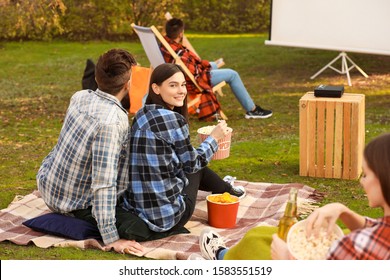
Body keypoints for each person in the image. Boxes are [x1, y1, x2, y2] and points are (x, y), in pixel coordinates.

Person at [192, 133, 390, 260]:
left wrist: (286, 260)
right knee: (262, 233)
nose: (362, 181)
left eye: (366, 174)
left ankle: (221, 258)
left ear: (384, 178)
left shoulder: (355, 246)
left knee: (255, 242)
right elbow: (380, 230)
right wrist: (344, 211)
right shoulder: (376, 235)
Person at [37, 48, 144, 255]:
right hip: (71, 204)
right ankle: (86, 221)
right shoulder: (112, 122)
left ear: (96, 77)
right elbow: (103, 184)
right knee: (140, 227)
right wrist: (112, 238)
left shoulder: (80, 96)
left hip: (47, 184)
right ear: (128, 85)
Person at [119, 63, 245, 234]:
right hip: (167, 218)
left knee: (190, 159)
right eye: (173, 85)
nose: (181, 91)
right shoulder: (173, 120)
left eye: (183, 84)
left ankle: (226, 189)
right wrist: (214, 138)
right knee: (197, 168)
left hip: (137, 210)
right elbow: (193, 164)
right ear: (156, 88)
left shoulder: (141, 114)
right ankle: (228, 191)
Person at [161, 18, 273, 121]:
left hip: (184, 74)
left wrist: (207, 65)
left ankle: (214, 65)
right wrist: (203, 68)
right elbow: (195, 74)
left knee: (213, 64)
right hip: (194, 81)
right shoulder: (179, 54)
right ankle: (252, 110)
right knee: (232, 74)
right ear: (181, 34)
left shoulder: (165, 46)